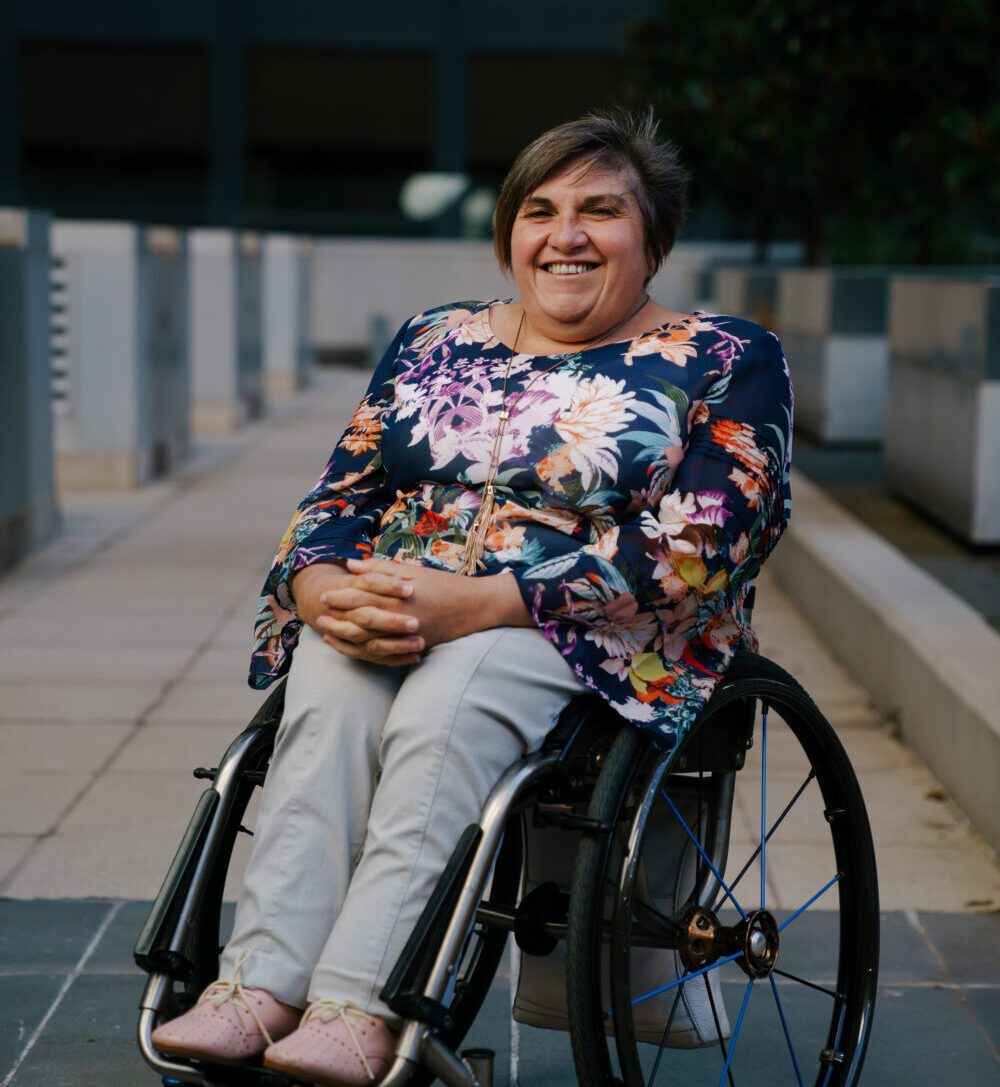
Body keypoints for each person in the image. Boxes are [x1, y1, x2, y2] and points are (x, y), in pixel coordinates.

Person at [151, 108, 792, 1086]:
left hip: (590, 626)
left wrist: (486, 601)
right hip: (402, 607)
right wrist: (323, 589)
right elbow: (338, 496)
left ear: (651, 239)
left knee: (460, 691)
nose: (565, 233)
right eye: (538, 210)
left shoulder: (724, 356)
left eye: (600, 211)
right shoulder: (431, 339)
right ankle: (257, 983)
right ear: (509, 234)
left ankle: (360, 1006)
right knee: (325, 682)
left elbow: (706, 541)